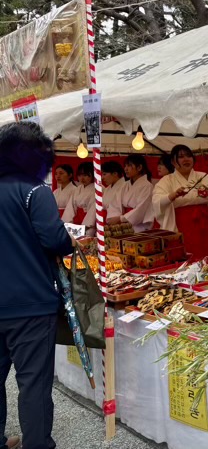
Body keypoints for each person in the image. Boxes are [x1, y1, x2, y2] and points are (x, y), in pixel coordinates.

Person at [0, 122, 75, 449]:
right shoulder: (34, 189)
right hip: (30, 303)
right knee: (33, 384)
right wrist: (69, 241)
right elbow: (56, 240)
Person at [152, 145, 208, 260]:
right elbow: (156, 201)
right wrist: (171, 196)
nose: (186, 159)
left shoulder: (204, 177)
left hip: (207, 225)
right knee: (189, 258)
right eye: (181, 157)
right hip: (183, 226)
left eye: (189, 156)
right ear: (173, 162)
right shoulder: (167, 180)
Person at [107, 155, 155, 233]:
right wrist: (115, 217)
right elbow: (115, 204)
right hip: (123, 225)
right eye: (125, 166)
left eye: (129, 165)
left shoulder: (147, 186)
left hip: (140, 226)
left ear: (139, 167)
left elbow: (141, 209)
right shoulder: (125, 185)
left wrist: (121, 219)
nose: (125, 169)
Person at [61, 162, 96, 236]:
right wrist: (67, 223)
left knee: (86, 238)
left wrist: (85, 226)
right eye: (80, 175)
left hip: (91, 224)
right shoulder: (78, 189)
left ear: (92, 175)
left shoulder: (97, 189)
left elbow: (93, 210)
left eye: (85, 175)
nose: (82, 178)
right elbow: (70, 207)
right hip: (78, 222)